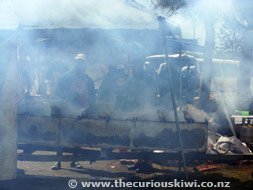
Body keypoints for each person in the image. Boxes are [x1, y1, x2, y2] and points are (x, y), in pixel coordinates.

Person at [51, 53, 95, 170]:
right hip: (65, 111)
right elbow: (57, 92)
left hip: (81, 113)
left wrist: (87, 109)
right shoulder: (64, 77)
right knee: (61, 137)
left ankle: (75, 161)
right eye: (78, 62)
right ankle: (58, 161)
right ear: (74, 63)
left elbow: (92, 98)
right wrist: (65, 101)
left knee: (77, 138)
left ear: (85, 66)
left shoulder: (89, 81)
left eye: (82, 63)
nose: (80, 65)